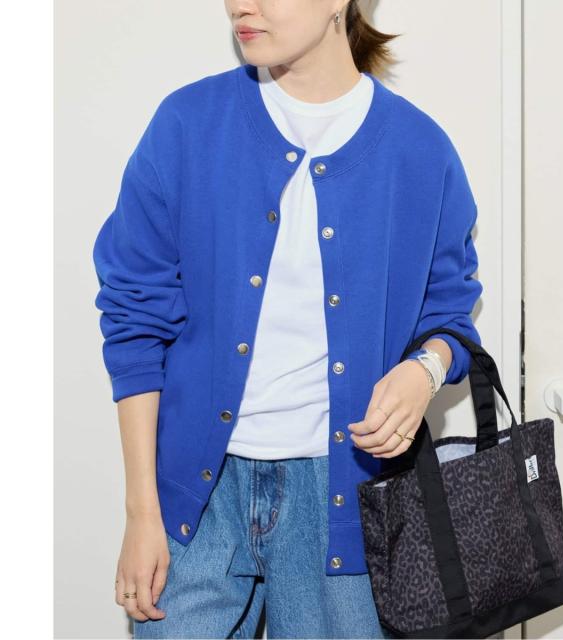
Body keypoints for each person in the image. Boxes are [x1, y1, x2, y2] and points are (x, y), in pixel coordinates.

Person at [91, 1, 483, 638]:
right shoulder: (188, 125)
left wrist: (425, 372)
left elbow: (451, 313)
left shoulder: (419, 150)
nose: (241, 4)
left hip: (345, 501)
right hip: (195, 500)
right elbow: (134, 318)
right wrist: (142, 510)